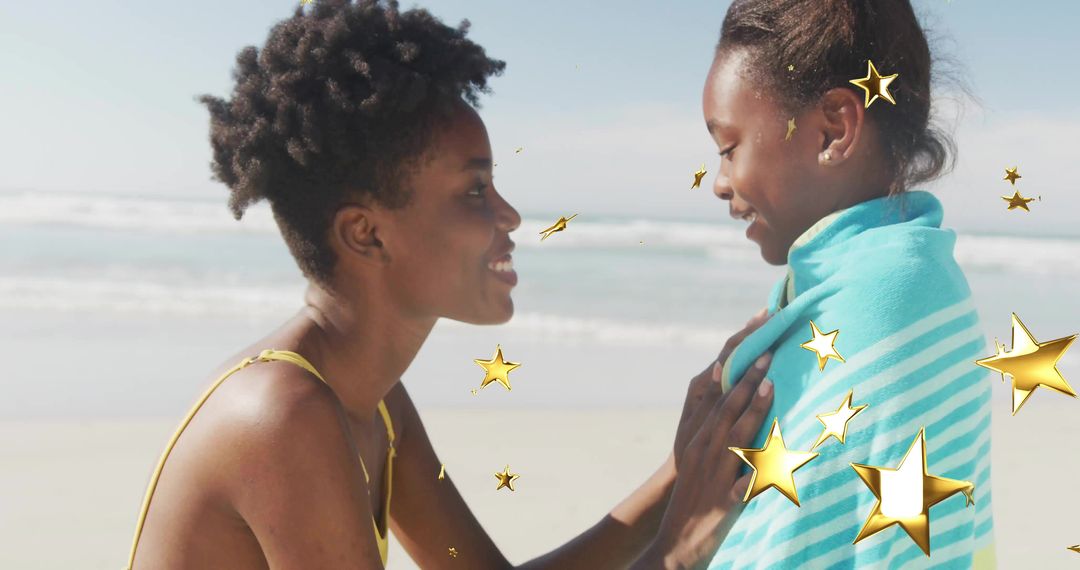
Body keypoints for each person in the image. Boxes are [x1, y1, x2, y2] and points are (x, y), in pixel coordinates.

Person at [122, 1, 774, 568]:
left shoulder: (374, 402)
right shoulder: (283, 417)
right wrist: (678, 552)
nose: (511, 216)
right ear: (366, 234)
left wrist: (679, 476)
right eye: (473, 191)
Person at [699, 0, 995, 567]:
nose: (718, 182)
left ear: (834, 130)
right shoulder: (900, 278)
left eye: (729, 148)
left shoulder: (885, 306)